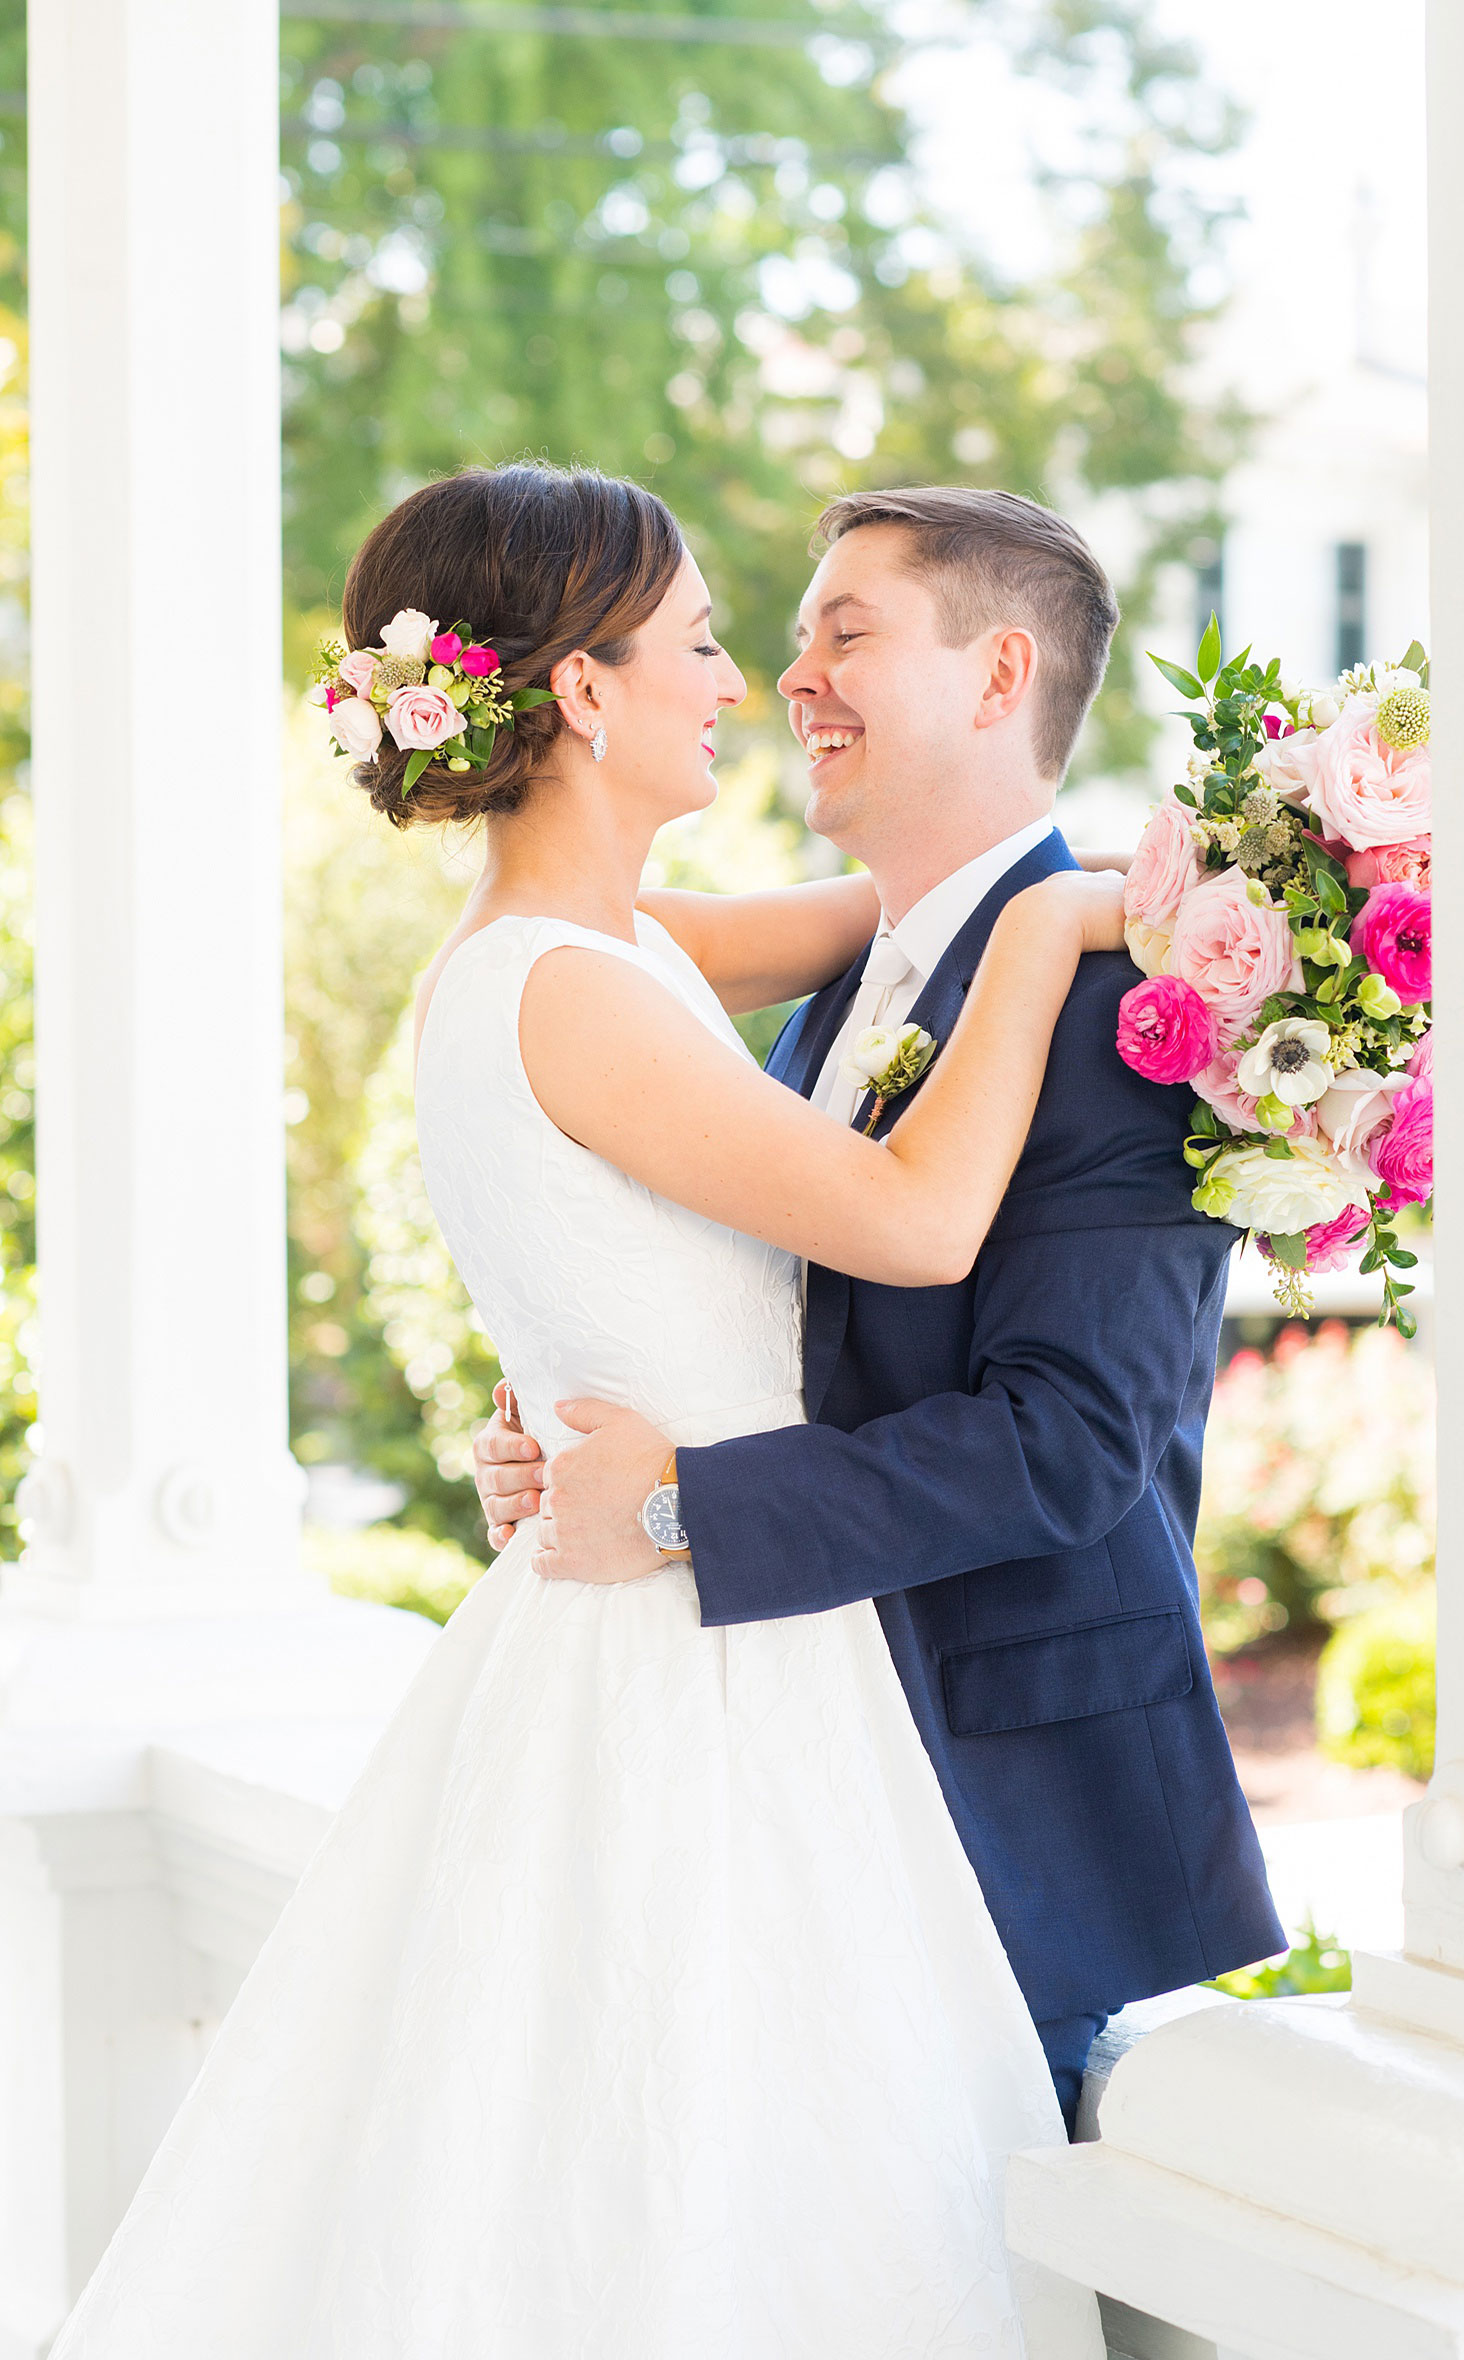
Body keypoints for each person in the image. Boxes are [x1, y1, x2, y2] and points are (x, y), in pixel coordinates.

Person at [0, 462, 1127, 2360]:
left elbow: (894, 931)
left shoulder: (582, 947)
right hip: (690, 1660)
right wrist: (1068, 921)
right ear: (584, 697)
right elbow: (904, 1209)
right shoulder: (577, 987)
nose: (745, 679)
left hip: (639, 1595)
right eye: (700, 640)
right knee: (696, 2198)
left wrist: (1056, 860)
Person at [474, 482, 1286, 2135]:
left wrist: (685, 1501)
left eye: (847, 635)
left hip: (1006, 1807)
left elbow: (1071, 1445)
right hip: (795, 1787)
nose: (792, 679)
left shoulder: (1128, 1002)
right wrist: (583, 1440)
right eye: (782, 644)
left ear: (998, 680)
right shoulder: (843, 979)